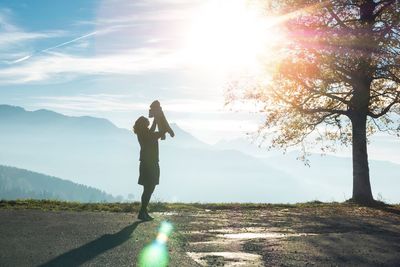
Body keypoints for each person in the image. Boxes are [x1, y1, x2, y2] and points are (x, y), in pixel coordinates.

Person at [133, 110, 172, 220]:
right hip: (150, 164)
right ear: (144, 125)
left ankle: (143, 211)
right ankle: (142, 212)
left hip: (147, 163)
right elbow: (156, 134)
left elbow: (152, 131)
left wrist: (156, 118)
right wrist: (166, 129)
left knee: (148, 188)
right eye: (147, 123)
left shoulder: (142, 133)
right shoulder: (146, 135)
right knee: (149, 188)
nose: (148, 124)